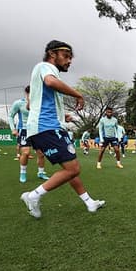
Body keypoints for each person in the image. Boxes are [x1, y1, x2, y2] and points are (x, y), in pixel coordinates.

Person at [20, 40, 105, 218]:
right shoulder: (45, 67)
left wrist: (62, 116)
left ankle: (89, 203)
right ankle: (33, 196)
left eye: (70, 57)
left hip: (50, 126)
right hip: (46, 128)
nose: (69, 61)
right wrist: (78, 94)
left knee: (69, 168)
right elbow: (51, 82)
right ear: (52, 54)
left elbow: (34, 104)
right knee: (72, 169)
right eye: (66, 56)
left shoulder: (43, 72)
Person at [8, 85, 49, 183]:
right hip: (24, 130)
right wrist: (13, 129)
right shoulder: (19, 103)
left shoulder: (40, 103)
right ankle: (22, 173)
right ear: (27, 93)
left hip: (38, 130)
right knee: (26, 153)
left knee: (41, 154)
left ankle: (41, 173)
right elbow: (10, 116)